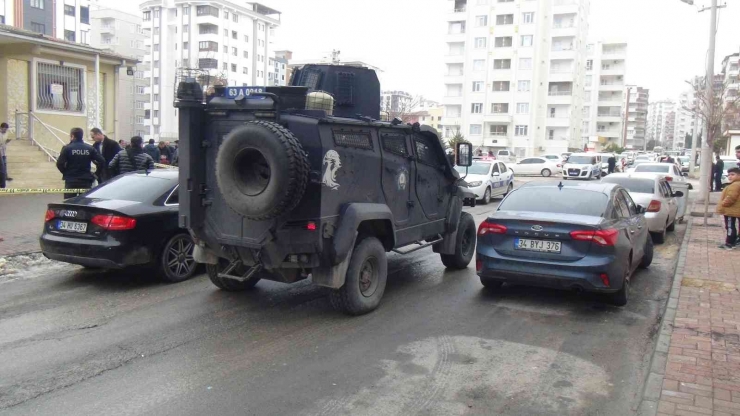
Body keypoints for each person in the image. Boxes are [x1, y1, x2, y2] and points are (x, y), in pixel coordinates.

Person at [57, 128, 105, 199]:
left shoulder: (67, 148)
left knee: (69, 203)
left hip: (71, 180)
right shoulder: (89, 148)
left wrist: (66, 172)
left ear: (72, 136)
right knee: (84, 204)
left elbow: (59, 164)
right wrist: (95, 174)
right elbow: (102, 161)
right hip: (85, 180)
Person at [717, 167, 740, 249]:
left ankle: (729, 243)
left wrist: (724, 204)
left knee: (730, 226)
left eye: (733, 175)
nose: (730, 177)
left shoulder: (735, 185)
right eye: (729, 175)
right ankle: (736, 241)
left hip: (731, 210)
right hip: (736, 209)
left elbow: (731, 197)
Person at [0, 122, 11, 188]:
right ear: (1, 128)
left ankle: (5, 177)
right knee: (2, 167)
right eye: (4, 129)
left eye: (6, 129)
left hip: (4, 151)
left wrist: (7, 142)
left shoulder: (5, 134)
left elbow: (3, 142)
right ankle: (2, 183)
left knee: (5, 165)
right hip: (0, 152)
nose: (5, 130)